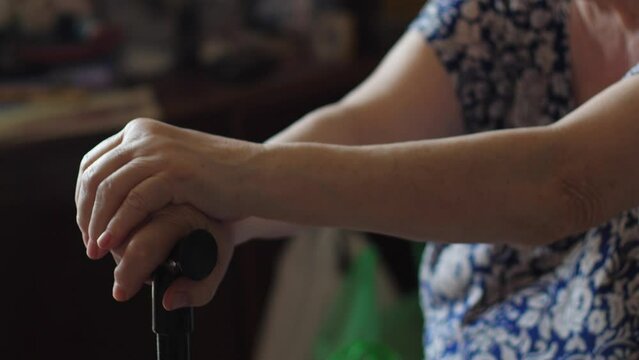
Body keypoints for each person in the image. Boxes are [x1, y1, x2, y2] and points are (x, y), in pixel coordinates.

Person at [76, 0, 639, 358]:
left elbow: (563, 185)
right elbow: (358, 125)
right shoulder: (506, 14)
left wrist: (230, 174)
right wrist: (209, 209)